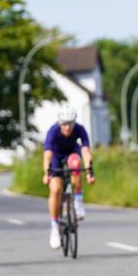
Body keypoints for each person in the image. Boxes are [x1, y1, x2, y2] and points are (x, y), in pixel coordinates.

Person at [42, 104, 95, 250]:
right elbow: (47, 154)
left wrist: (90, 172)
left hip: (72, 153)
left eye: (70, 123)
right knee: (55, 189)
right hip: (56, 157)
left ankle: (77, 203)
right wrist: (46, 173)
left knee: (76, 164)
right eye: (64, 124)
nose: (67, 127)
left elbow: (85, 151)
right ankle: (54, 228)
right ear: (60, 122)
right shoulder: (53, 131)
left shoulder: (79, 129)